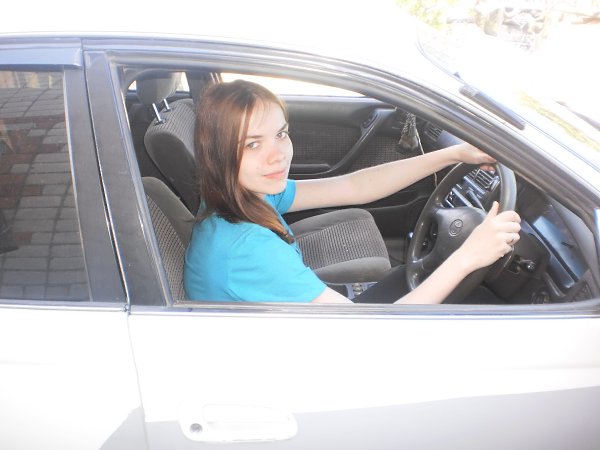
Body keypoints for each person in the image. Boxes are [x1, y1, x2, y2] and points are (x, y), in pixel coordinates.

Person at [183, 80, 521, 304]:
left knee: (414, 280)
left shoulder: (240, 194)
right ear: (218, 154)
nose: (279, 155)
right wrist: (467, 257)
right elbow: (370, 336)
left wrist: (453, 154)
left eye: (281, 134)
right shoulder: (247, 249)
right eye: (253, 144)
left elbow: (354, 186)